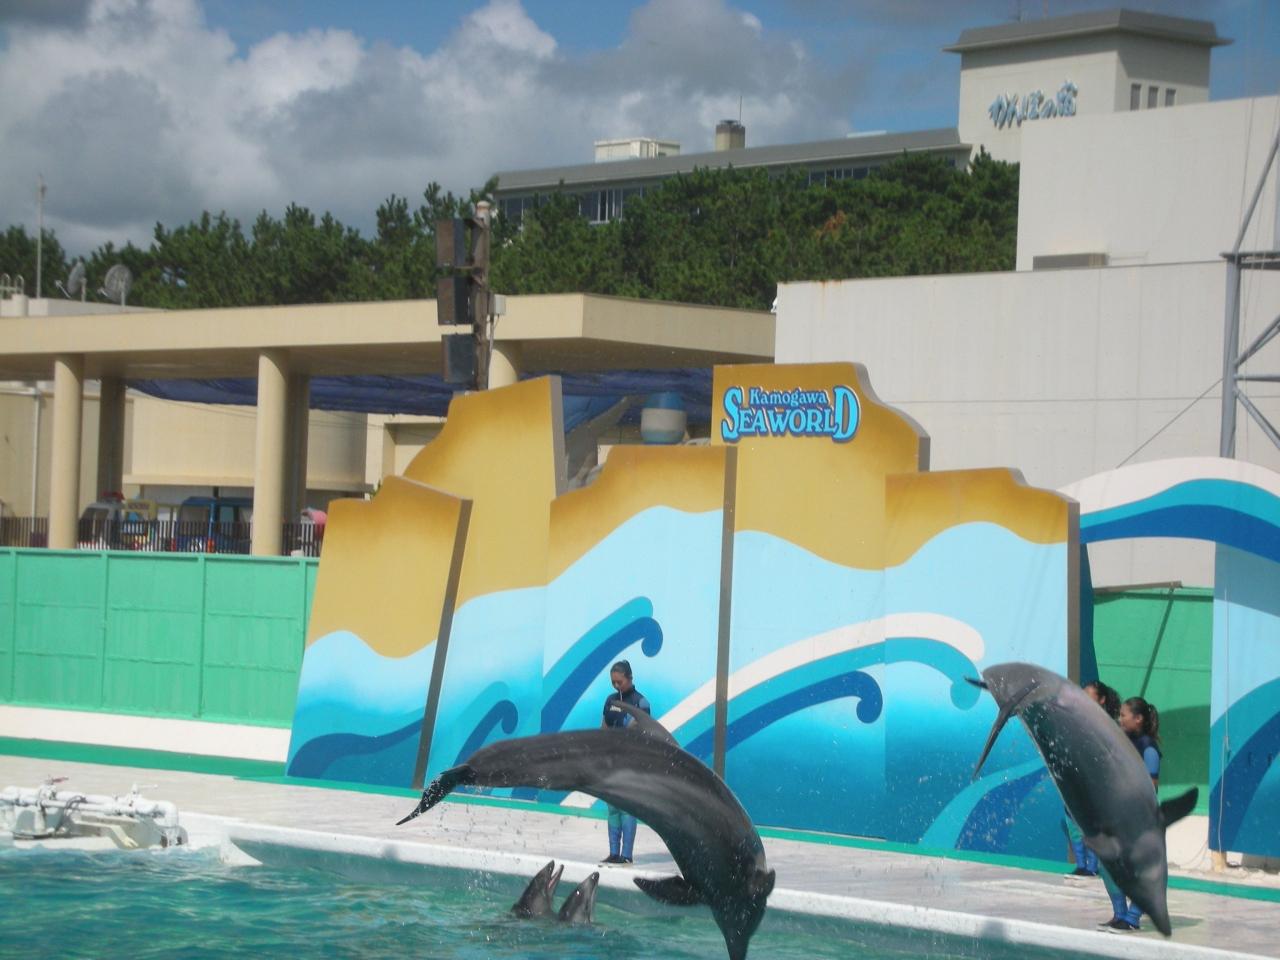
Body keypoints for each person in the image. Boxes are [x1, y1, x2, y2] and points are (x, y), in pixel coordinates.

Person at [1098, 695, 1162, 933]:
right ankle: (1120, 914)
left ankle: (1133, 917)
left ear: (1138, 719)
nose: (1120, 718)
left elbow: (1151, 787)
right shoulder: (1124, 742)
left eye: (1124, 715)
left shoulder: (1148, 747)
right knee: (1107, 862)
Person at [1064, 680, 1121, 880]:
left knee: (1093, 823)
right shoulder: (1076, 718)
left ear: (1101, 699)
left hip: (1097, 781)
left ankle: (1093, 865)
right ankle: (1081, 865)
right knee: (1071, 818)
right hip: (1077, 777)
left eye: (1089, 695)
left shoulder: (1107, 723)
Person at [600, 659, 651, 865]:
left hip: (630, 762)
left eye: (619, 682)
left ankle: (626, 855)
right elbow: (604, 728)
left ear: (630, 678)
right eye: (613, 682)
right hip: (612, 762)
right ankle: (614, 852)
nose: (616, 686)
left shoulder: (641, 703)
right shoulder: (610, 700)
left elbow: (636, 730)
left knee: (626, 807)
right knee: (612, 807)